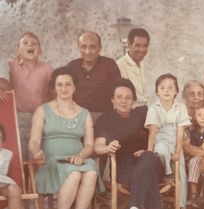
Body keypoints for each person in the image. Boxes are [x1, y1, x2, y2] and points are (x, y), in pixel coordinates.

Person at [28, 67, 103, 209]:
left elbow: (89, 145)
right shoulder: (42, 110)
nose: (64, 88)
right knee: (74, 173)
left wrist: (80, 156)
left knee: (92, 172)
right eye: (59, 84)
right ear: (54, 88)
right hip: (52, 161)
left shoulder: (85, 113)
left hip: (78, 159)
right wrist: (36, 151)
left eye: (68, 84)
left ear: (75, 87)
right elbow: (34, 141)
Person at [94, 78, 163, 209]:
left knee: (147, 157)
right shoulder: (105, 119)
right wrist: (108, 148)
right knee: (148, 176)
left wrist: (149, 150)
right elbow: (98, 146)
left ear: (133, 100)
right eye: (119, 97)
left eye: (128, 97)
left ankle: (134, 205)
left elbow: (159, 137)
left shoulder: (143, 116)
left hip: (151, 161)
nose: (123, 101)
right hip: (124, 167)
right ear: (112, 99)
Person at [0, 32, 53, 160]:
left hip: (40, 117)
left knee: (36, 156)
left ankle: (33, 179)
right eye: (25, 43)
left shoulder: (47, 69)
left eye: (34, 43)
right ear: (18, 50)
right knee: (18, 153)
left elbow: (52, 93)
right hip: (17, 117)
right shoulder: (9, 65)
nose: (30, 45)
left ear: (40, 51)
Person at [145, 73, 191, 208]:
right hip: (161, 139)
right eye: (162, 87)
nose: (166, 90)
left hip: (176, 140)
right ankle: (167, 173)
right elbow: (152, 132)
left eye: (171, 88)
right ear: (157, 91)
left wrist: (177, 151)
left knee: (181, 173)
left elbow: (180, 132)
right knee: (161, 150)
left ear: (176, 91)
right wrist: (149, 152)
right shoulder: (154, 108)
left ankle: (180, 205)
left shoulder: (180, 107)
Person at [66, 31, 121, 121]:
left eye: (92, 47)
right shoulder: (72, 66)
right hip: (76, 118)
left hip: (103, 118)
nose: (87, 52)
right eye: (83, 47)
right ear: (79, 48)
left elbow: (119, 92)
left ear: (100, 48)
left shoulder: (109, 65)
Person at [117, 28, 150, 108]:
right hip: (131, 113)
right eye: (137, 45)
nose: (141, 50)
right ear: (129, 44)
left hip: (147, 111)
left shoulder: (145, 64)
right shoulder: (119, 66)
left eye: (145, 46)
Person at [0, 124, 22, 209]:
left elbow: (5, 174)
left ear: (3, 141)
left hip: (1, 185)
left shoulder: (7, 154)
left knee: (14, 190)